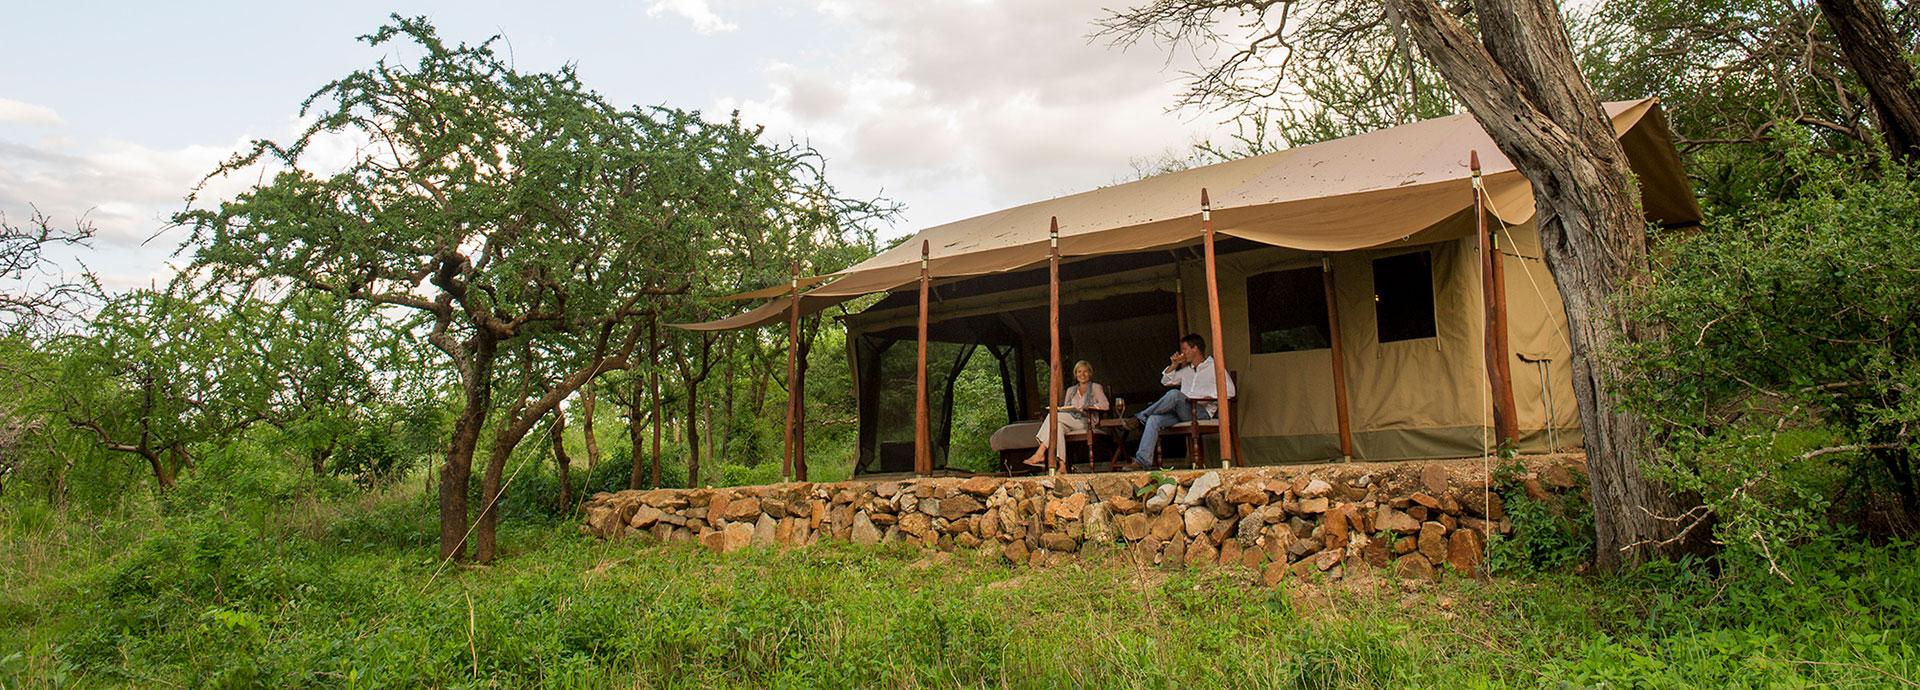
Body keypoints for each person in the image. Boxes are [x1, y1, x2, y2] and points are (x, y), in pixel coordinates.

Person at [1128, 333, 1235, 470]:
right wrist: (1174, 365)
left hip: (1201, 413)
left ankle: (1140, 417)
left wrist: (1209, 397)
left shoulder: (1214, 367)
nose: (1182, 353)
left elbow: (1231, 391)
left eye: (1185, 349)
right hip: (1182, 412)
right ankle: (1142, 461)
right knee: (1154, 419)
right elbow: (1165, 381)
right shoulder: (1186, 371)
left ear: (1195, 348)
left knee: (1174, 394)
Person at [1023, 360, 1111, 467]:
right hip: (1070, 420)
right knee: (1058, 426)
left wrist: (1088, 407)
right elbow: (1066, 409)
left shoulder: (1096, 387)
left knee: (1053, 417)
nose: (1082, 375)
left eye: (1085, 372)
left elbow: (1105, 405)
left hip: (1086, 422)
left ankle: (1041, 452)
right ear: (1075, 374)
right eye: (1079, 372)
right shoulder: (1071, 390)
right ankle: (1063, 465)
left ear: (1090, 373)